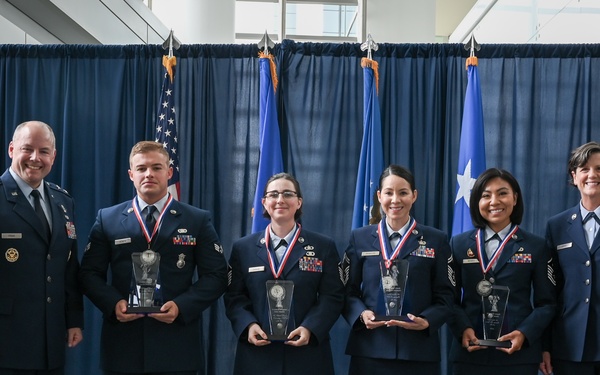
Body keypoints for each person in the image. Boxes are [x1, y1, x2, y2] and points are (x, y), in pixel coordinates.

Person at [79, 141, 228, 375]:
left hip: (177, 345)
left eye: (157, 167)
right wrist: (112, 303)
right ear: (131, 174)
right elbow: (88, 274)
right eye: (141, 168)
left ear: (169, 172)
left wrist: (181, 306)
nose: (149, 174)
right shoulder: (107, 219)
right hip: (122, 345)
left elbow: (218, 276)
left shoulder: (196, 220)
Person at [225, 172, 344, 375]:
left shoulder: (323, 246)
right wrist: (248, 325)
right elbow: (234, 297)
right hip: (257, 353)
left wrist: (310, 328)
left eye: (287, 194)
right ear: (264, 203)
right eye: (273, 195)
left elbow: (332, 296)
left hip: (307, 354)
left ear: (299, 202)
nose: (280, 200)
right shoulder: (243, 248)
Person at [343, 164, 455, 375]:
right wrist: (361, 313)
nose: (395, 200)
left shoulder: (436, 240)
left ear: (414, 196)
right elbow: (346, 291)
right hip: (370, 349)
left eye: (403, 193)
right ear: (379, 196)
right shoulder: (360, 238)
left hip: (418, 351)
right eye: (388, 193)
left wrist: (427, 320)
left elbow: (447, 294)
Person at [449, 168, 556, 375]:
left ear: (515, 198)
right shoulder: (459, 245)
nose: (494, 201)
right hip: (470, 354)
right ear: (476, 202)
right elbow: (448, 298)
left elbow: (547, 303)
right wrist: (463, 329)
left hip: (517, 356)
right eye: (486, 195)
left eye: (502, 193)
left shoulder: (537, 246)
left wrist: (524, 333)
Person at [0, 121, 83, 374]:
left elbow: (69, 267)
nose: (35, 158)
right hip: (6, 340)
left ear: (54, 156)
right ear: (12, 149)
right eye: (28, 149)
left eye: (44, 151)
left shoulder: (63, 200)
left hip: (51, 339)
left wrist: (74, 320)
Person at [542, 141, 600, 375]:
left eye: (599, 169)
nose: (592, 175)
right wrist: (545, 346)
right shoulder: (556, 226)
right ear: (574, 176)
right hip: (570, 347)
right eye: (585, 169)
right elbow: (548, 292)